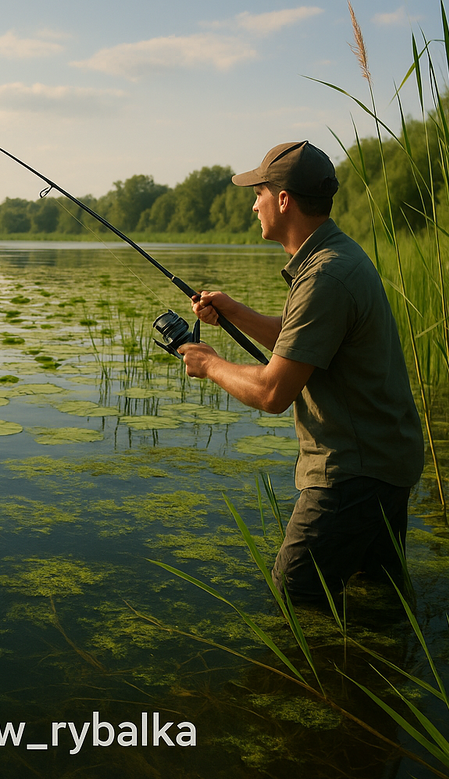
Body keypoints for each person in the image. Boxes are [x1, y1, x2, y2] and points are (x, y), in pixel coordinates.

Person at [177, 140, 424, 603]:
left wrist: (209, 364)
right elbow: (304, 343)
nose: (254, 205)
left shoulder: (325, 276)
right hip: (383, 461)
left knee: (297, 588)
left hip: (353, 471)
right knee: (377, 595)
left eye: (260, 194)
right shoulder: (332, 257)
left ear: (284, 200)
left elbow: (274, 392)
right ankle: (369, 671)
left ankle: (312, 675)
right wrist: (235, 312)